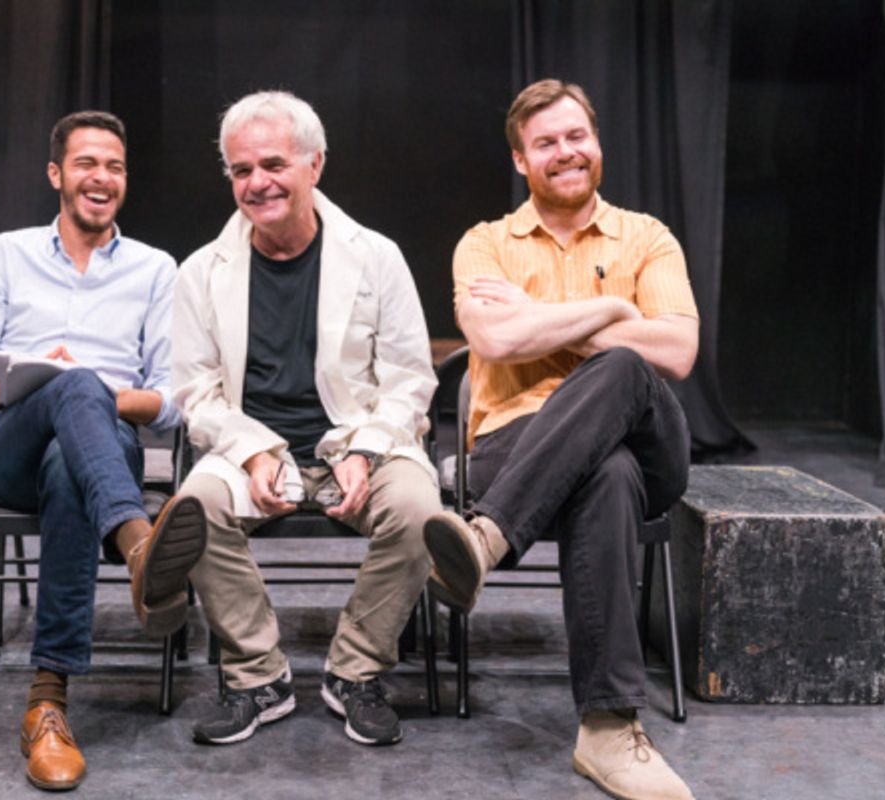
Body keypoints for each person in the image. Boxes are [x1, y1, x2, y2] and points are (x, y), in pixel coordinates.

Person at [423, 79, 698, 800]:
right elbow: (493, 335)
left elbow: (676, 352)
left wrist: (558, 315)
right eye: (545, 143)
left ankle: (484, 542)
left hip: (649, 446)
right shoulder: (485, 242)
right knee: (601, 473)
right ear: (521, 160)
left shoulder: (647, 236)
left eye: (577, 136)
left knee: (629, 368)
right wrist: (614, 309)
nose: (565, 152)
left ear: (597, 143)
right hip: (518, 444)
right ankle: (608, 732)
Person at [0, 110, 206, 791]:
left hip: (95, 449)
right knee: (68, 398)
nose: (102, 177)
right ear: (57, 174)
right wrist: (28, 385)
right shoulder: (7, 253)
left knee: (73, 450)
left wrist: (86, 394)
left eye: (115, 166)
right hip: (10, 447)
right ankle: (137, 542)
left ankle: (47, 705)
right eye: (88, 163)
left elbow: (171, 395)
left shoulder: (154, 269)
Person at [172, 90, 441, 747]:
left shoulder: (377, 257)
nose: (257, 183)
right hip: (255, 450)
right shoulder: (201, 272)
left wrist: (368, 450)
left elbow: (411, 380)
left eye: (273, 164)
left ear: (314, 165)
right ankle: (257, 676)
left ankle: (354, 672)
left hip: (360, 442)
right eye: (241, 171)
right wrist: (255, 450)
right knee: (193, 507)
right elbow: (196, 393)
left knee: (419, 514)